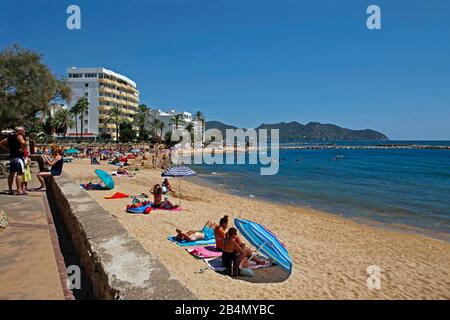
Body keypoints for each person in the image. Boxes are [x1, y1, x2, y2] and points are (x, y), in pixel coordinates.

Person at [0, 126, 27, 195]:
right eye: (23, 131)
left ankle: (10, 190)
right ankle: (19, 190)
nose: (24, 132)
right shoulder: (19, 136)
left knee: (11, 173)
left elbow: (1, 143)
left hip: (12, 158)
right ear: (19, 131)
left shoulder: (10, 137)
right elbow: (23, 143)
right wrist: (23, 149)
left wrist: (8, 150)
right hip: (18, 157)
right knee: (19, 173)